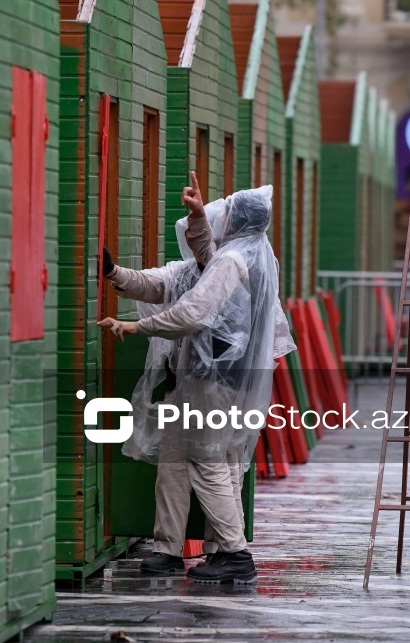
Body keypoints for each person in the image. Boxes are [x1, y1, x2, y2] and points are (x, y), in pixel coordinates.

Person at [99, 176, 293, 584]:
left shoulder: (232, 260)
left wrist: (138, 328)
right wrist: (197, 215)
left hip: (213, 380)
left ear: (234, 223)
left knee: (208, 462)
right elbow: (197, 261)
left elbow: (194, 311)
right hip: (222, 380)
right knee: (177, 459)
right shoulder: (254, 255)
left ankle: (233, 552)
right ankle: (167, 549)